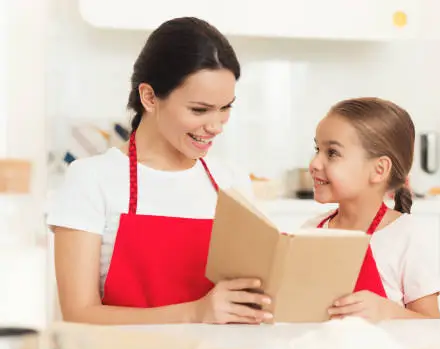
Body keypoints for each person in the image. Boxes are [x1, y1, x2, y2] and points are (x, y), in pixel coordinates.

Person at [47, 17, 272, 325]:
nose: (216, 126)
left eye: (226, 108)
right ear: (150, 97)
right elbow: (79, 314)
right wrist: (195, 313)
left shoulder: (231, 181)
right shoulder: (92, 179)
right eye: (199, 110)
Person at [304, 97, 440, 322]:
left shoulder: (405, 236)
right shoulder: (310, 231)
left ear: (379, 170)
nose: (314, 163)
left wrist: (386, 311)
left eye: (332, 153)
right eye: (317, 149)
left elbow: (432, 324)